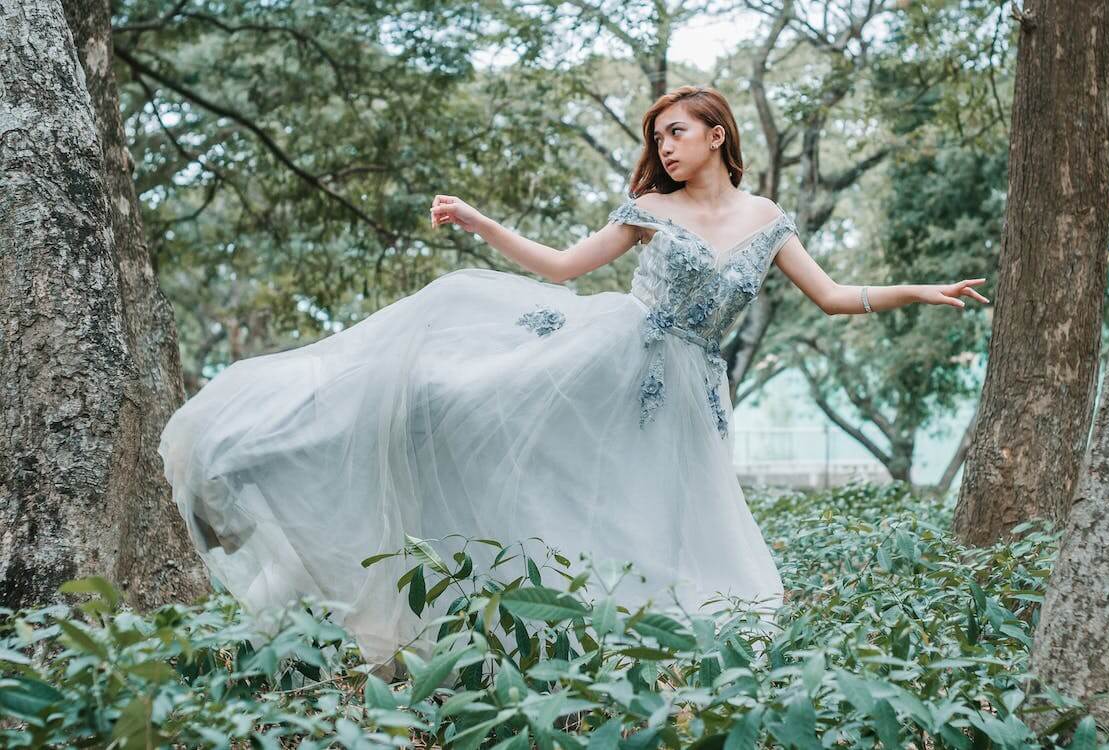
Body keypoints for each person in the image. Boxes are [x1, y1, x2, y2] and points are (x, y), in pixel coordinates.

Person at [158, 85, 988, 674]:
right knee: (455, 407)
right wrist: (481, 221)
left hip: (690, 390)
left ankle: (622, 629)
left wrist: (919, 289)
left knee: (651, 506)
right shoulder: (647, 213)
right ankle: (279, 460)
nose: (663, 145)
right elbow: (559, 268)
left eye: (677, 131)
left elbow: (834, 295)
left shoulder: (767, 220)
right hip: (607, 356)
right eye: (657, 134)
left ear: (718, 137)